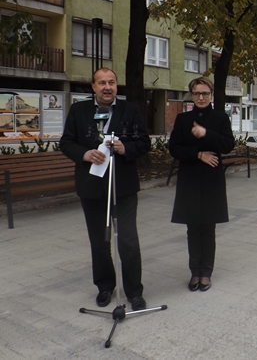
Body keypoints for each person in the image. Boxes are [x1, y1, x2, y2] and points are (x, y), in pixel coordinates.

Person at [59, 68, 150, 311]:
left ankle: (134, 292)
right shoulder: (79, 111)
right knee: (99, 241)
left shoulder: (130, 110)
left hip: (123, 187)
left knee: (128, 240)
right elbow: (66, 143)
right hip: (91, 186)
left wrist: (125, 148)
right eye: (102, 83)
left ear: (116, 85)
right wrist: (85, 154)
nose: (107, 87)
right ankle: (105, 287)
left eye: (111, 82)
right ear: (93, 87)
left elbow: (144, 142)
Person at [169, 77, 234, 292]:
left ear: (211, 95)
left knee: (208, 227)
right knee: (192, 228)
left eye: (205, 93)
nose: (201, 97)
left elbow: (228, 145)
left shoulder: (220, 118)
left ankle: (206, 272)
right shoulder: (183, 119)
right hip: (189, 179)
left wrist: (206, 133)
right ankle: (194, 271)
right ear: (191, 95)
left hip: (211, 181)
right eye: (197, 93)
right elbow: (174, 149)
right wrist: (198, 154)